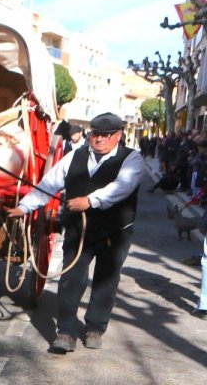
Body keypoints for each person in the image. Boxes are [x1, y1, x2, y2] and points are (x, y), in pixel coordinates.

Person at [9, 112, 143, 353]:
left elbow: (122, 188)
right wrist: (24, 207)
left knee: (106, 280)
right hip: (78, 230)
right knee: (71, 279)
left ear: (118, 136)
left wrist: (90, 201)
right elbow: (49, 184)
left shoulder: (131, 159)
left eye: (106, 135)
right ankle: (66, 332)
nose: (99, 139)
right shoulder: (75, 156)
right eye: (95, 134)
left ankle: (95, 326)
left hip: (115, 231)